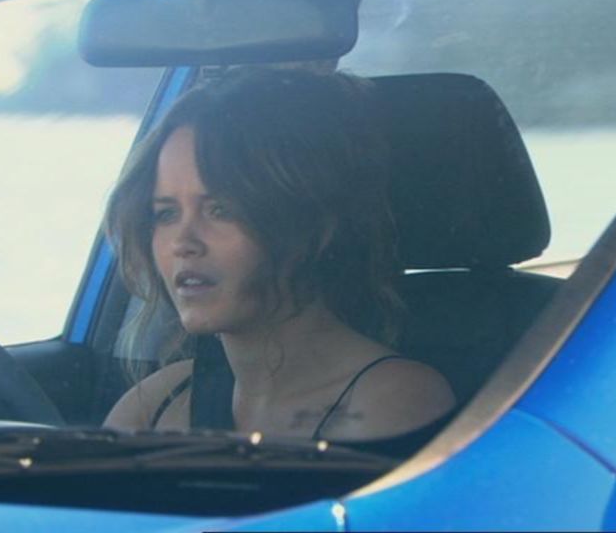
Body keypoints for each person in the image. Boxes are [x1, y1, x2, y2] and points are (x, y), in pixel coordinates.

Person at [102, 67, 454, 452]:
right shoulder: (156, 404)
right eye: (166, 214)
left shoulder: (391, 400)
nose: (182, 243)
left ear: (308, 221)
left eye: (221, 210)